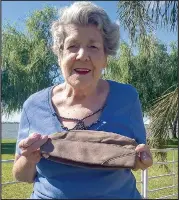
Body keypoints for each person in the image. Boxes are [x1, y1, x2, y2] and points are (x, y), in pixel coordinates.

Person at [13, 2, 153, 199]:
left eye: (93, 47)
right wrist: (29, 158)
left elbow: (135, 158)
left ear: (106, 57)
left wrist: (141, 161)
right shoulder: (33, 105)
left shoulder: (127, 98)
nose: (82, 55)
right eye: (72, 46)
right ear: (60, 55)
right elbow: (22, 175)